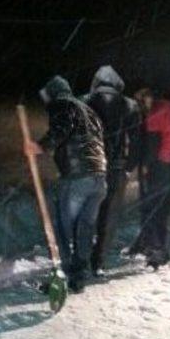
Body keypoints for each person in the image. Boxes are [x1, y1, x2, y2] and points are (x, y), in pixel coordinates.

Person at [24, 75, 107, 293]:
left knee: (62, 228)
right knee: (84, 229)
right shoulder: (89, 111)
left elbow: (62, 127)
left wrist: (40, 146)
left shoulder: (62, 104)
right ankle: (78, 277)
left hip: (77, 177)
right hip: (99, 177)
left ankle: (61, 277)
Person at [81, 65, 140, 274]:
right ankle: (98, 261)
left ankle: (80, 258)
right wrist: (129, 166)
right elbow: (136, 141)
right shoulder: (129, 106)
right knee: (108, 216)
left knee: (86, 213)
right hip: (115, 169)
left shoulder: (83, 103)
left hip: (88, 168)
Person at [132, 88, 170, 269]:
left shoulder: (161, 112)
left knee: (155, 210)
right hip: (163, 170)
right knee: (152, 208)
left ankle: (157, 251)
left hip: (163, 170)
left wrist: (159, 162)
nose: (140, 102)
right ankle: (146, 244)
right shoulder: (162, 110)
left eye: (142, 98)